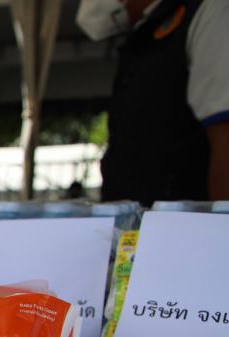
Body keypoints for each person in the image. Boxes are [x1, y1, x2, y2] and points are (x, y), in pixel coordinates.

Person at [77, 0, 229, 202]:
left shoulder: (210, 11)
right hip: (141, 216)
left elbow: (224, 137)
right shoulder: (147, 30)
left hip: (180, 216)